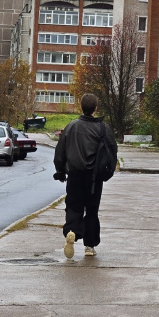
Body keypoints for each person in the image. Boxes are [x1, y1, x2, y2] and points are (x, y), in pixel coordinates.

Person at [53, 94, 118, 259]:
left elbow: (60, 153)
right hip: (94, 178)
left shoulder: (71, 127)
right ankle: (90, 245)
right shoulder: (103, 129)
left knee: (73, 207)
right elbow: (112, 152)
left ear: (81, 107)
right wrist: (107, 173)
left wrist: (60, 172)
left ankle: (71, 232)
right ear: (96, 108)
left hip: (74, 176)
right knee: (92, 210)